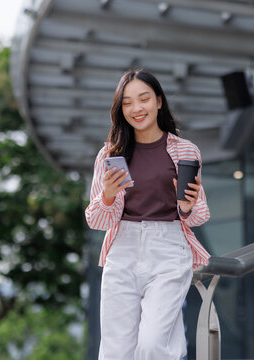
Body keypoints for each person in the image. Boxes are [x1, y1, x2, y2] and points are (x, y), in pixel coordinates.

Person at [85, 69, 211, 359]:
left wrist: (188, 206)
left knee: (154, 345)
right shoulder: (109, 155)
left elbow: (198, 215)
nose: (136, 108)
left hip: (168, 248)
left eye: (143, 99)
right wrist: (107, 195)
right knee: (116, 352)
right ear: (120, 109)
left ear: (158, 102)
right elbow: (97, 220)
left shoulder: (185, 150)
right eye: (127, 103)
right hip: (122, 251)